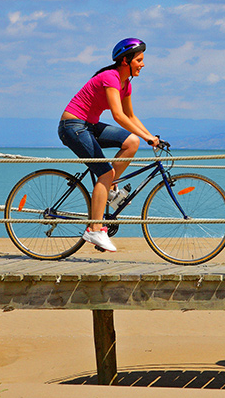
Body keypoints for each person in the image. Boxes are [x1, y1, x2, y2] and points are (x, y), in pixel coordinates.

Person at [58, 38, 160, 252]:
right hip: (72, 126)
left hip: (89, 126)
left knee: (131, 142)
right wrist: (147, 137)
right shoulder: (110, 77)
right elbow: (119, 116)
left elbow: (131, 115)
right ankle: (94, 229)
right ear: (125, 61)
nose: (143, 64)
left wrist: (150, 137)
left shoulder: (126, 84)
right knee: (105, 174)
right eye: (139, 60)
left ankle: (111, 189)